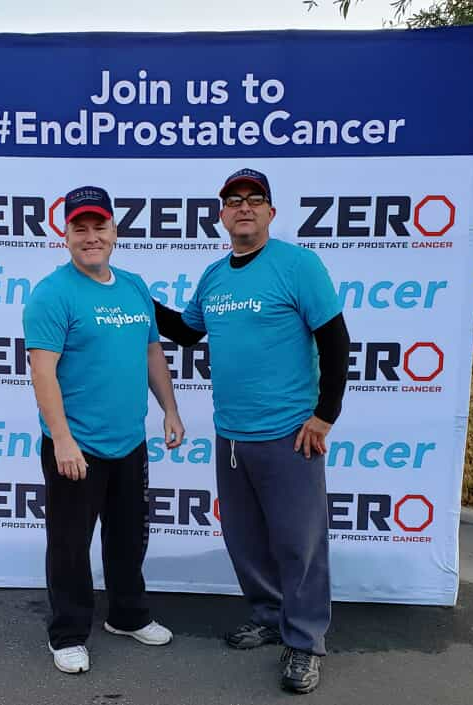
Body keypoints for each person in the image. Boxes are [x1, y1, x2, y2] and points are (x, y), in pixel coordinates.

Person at [154, 168, 350, 695]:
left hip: (290, 434)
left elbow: (336, 343)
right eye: (233, 200)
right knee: (245, 539)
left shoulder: (298, 265)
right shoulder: (215, 277)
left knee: (299, 545)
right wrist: (133, 297)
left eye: (254, 199)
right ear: (221, 215)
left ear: (270, 212)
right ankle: (269, 615)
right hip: (232, 435)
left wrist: (325, 415)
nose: (243, 207)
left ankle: (305, 642)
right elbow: (186, 331)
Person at [23, 185, 184, 675]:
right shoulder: (52, 294)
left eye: (100, 227)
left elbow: (152, 352)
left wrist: (170, 410)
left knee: (128, 536)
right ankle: (68, 632)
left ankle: (127, 615)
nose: (91, 236)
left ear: (114, 231)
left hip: (129, 441)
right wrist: (64, 440)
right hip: (77, 446)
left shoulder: (134, 286)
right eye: (80, 228)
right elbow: (42, 371)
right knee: (71, 543)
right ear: (65, 234)